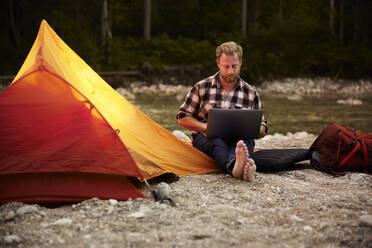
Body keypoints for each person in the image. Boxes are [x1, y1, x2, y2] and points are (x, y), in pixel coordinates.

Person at [176, 41, 267, 182]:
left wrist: (251, 129)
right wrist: (207, 127)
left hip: (238, 138)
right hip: (207, 137)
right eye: (226, 66)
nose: (230, 71)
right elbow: (182, 117)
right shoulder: (202, 87)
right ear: (218, 63)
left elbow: (263, 128)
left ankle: (236, 166)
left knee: (243, 142)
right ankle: (236, 168)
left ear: (241, 63)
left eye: (234, 66)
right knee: (218, 142)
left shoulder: (250, 92)